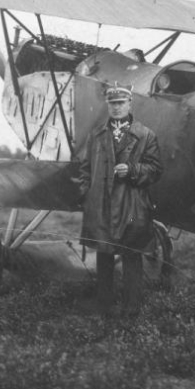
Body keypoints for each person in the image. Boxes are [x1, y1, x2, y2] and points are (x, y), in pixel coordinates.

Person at [76, 82, 162, 316]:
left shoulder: (145, 135)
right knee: (103, 254)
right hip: (101, 204)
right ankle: (104, 305)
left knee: (131, 256)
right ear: (107, 105)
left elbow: (155, 169)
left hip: (132, 205)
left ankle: (131, 310)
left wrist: (133, 170)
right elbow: (84, 168)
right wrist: (88, 193)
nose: (116, 108)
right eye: (112, 103)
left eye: (120, 103)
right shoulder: (96, 135)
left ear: (130, 104)